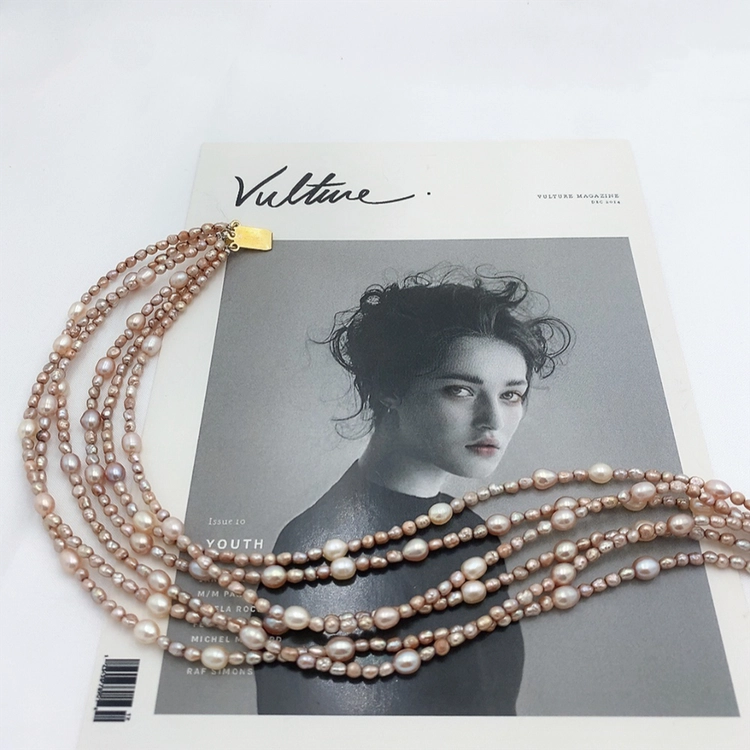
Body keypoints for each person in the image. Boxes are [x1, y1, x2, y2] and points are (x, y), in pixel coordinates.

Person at [255, 267, 572, 715]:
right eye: (460, 390)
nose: (493, 421)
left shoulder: (470, 532)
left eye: (510, 395)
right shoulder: (320, 550)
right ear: (391, 389)